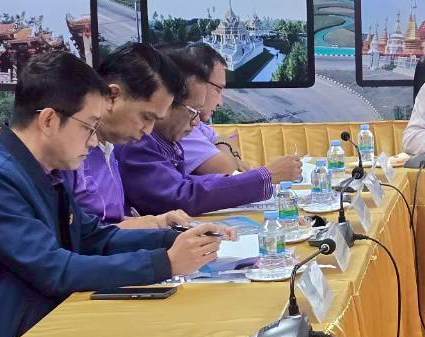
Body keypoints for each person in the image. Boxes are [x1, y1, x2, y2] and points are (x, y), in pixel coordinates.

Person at [0, 51, 232, 337]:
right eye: (89, 127)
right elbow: (55, 270)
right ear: (48, 120)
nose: (92, 142)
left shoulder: (45, 170)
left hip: (37, 329)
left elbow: (93, 238)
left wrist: (173, 238)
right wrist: (165, 263)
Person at [119, 48, 302, 216]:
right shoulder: (137, 140)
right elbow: (182, 196)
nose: (197, 122)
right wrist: (267, 176)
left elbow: (189, 183)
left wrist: (261, 177)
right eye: (193, 112)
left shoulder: (165, 140)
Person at [72, 42, 192, 228]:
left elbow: (107, 222)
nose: (148, 130)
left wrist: (159, 222)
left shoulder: (109, 147)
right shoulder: (68, 154)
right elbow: (80, 236)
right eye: (146, 117)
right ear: (112, 96)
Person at [177, 42, 247, 175]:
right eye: (218, 90)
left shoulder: (197, 123)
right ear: (195, 82)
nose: (220, 102)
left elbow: (232, 154)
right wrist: (225, 143)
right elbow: (227, 169)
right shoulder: (181, 127)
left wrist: (228, 149)